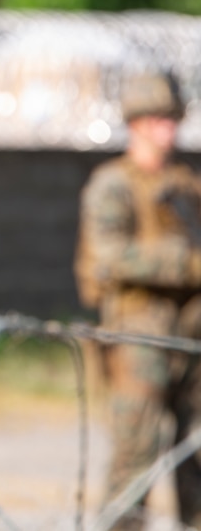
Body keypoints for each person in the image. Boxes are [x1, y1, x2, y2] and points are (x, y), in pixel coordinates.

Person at [75, 69, 201, 530]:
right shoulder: (113, 185)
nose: (168, 129)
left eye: (172, 120)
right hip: (138, 337)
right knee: (137, 457)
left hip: (191, 335)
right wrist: (184, 264)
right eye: (158, 120)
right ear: (137, 124)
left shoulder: (187, 185)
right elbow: (108, 258)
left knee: (196, 455)